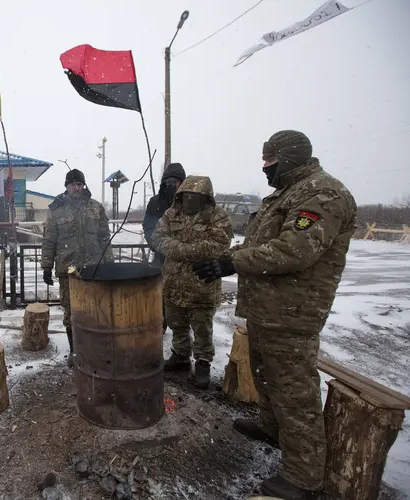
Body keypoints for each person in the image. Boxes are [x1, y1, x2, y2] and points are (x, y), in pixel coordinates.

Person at [193, 130, 357, 500]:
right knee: (266, 374)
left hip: (293, 311)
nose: (265, 168)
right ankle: (271, 428)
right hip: (268, 309)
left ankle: (304, 476)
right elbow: (260, 243)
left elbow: (295, 250)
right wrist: (232, 254)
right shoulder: (286, 195)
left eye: (270, 161)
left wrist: (231, 261)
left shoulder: (323, 193)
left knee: (294, 390)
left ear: (290, 158)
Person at [150, 175, 232, 389]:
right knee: (177, 324)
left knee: (202, 328)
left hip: (201, 284)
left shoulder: (217, 217)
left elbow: (220, 244)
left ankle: (203, 364)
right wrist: (182, 250)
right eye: (185, 195)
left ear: (204, 197)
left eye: (194, 196)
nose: (189, 200)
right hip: (173, 282)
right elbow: (158, 237)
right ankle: (180, 356)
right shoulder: (171, 214)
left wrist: (186, 251)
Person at [41, 169, 113, 367]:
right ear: (66, 186)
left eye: (80, 184)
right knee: (72, 310)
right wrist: (47, 265)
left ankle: (95, 348)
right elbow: (49, 240)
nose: (77, 187)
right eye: (73, 184)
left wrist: (109, 263)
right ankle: (75, 350)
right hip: (69, 270)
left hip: (94, 269)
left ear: (84, 185)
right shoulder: (56, 210)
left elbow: (104, 238)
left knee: (96, 309)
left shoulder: (95, 208)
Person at [142, 162, 187, 267]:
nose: (172, 185)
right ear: (164, 183)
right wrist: (155, 245)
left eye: (175, 182)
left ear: (182, 183)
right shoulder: (155, 202)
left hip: (184, 258)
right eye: (169, 182)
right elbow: (148, 226)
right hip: (161, 257)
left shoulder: (189, 201)